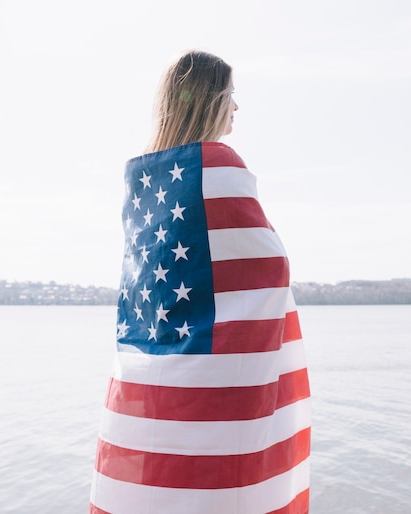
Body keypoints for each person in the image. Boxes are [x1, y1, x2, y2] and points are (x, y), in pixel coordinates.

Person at [90, 50, 311, 514]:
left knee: (164, 488)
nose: (236, 108)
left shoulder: (145, 181)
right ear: (208, 100)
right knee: (222, 487)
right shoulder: (218, 163)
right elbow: (270, 268)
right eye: (230, 95)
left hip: (151, 377)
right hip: (216, 380)